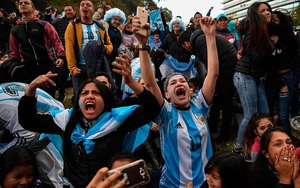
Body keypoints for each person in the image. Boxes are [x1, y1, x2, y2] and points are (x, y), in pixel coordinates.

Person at [18, 55, 161, 188]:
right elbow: (28, 121)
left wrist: (131, 82)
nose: (90, 96)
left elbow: (152, 108)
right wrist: (31, 90)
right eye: (85, 93)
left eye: (96, 93)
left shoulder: (118, 121)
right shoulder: (65, 121)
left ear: (105, 101)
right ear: (78, 102)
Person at [132, 15, 219, 187]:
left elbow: (213, 74)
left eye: (182, 81)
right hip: (173, 184)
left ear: (189, 89)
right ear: (167, 95)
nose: (179, 83)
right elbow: (149, 82)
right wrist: (142, 44)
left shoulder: (200, 104)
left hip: (204, 183)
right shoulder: (166, 112)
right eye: (173, 82)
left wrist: (210, 36)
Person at [232, 2, 274, 154]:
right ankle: (238, 147)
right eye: (262, 11)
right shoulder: (253, 31)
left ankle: (264, 144)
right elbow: (256, 57)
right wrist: (273, 45)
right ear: (255, 15)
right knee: (250, 115)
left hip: (254, 76)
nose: (267, 13)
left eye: (268, 10)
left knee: (265, 112)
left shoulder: (263, 30)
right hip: (245, 76)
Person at [9, 0, 65, 97]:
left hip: (46, 65)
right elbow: (14, 51)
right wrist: (14, 65)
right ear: (18, 8)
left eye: (26, 3)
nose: (22, 4)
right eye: (20, 3)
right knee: (30, 97)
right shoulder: (15, 30)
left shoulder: (43, 24)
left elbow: (56, 41)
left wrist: (61, 56)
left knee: (48, 96)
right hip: (27, 68)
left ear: (33, 8)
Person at [65, 0, 113, 99]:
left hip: (98, 68)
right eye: (82, 5)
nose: (85, 7)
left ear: (93, 10)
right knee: (81, 96)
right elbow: (69, 48)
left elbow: (110, 45)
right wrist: (72, 68)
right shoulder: (73, 26)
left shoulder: (100, 27)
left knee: (99, 95)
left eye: (88, 5)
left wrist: (104, 48)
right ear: (79, 10)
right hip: (81, 68)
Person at [265, 10, 300, 132]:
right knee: (268, 112)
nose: (273, 23)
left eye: (276, 20)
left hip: (285, 77)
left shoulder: (289, 38)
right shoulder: (265, 36)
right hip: (270, 79)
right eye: (271, 21)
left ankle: (288, 143)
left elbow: (293, 58)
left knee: (283, 114)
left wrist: (278, 42)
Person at [51, 5, 77, 102]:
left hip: (76, 52)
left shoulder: (79, 21)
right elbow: (48, 27)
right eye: (65, 10)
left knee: (76, 75)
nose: (68, 12)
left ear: (74, 11)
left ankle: (76, 95)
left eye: (69, 10)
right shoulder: (58, 22)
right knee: (62, 76)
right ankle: (61, 96)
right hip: (64, 53)